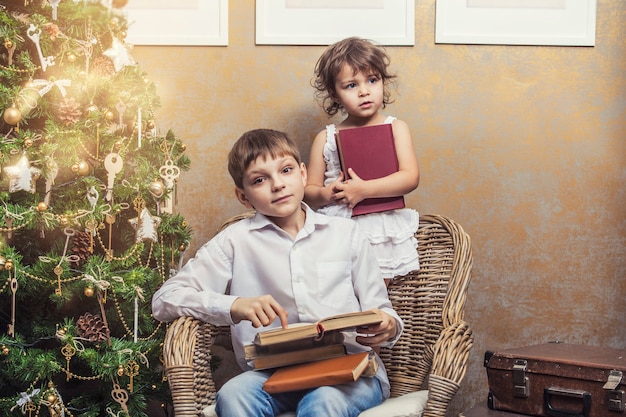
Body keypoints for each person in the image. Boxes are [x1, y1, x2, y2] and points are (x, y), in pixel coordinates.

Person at [152, 128, 404, 417]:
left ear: (303, 174)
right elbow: (164, 299)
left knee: (323, 400)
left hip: (350, 372)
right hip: (273, 375)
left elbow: (383, 312)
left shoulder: (347, 234)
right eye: (260, 179)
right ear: (243, 197)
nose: (278, 185)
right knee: (232, 394)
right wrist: (233, 305)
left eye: (285, 170)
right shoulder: (234, 241)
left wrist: (387, 326)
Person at [304, 37, 421, 284]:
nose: (364, 91)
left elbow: (410, 177)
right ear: (334, 95)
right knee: (335, 288)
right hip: (338, 226)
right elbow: (309, 192)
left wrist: (364, 190)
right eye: (350, 85)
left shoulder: (396, 128)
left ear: (382, 82)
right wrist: (327, 193)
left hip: (379, 226)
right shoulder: (326, 138)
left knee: (374, 291)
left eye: (372, 80)